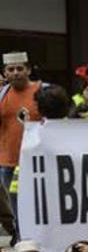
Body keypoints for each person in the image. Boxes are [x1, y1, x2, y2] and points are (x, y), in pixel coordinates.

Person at [0, 52, 43, 195]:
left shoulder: (43, 91)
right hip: (7, 163)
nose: (16, 73)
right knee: (11, 210)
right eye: (10, 70)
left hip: (36, 161)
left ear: (29, 70)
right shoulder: (2, 95)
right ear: (5, 73)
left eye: (20, 68)